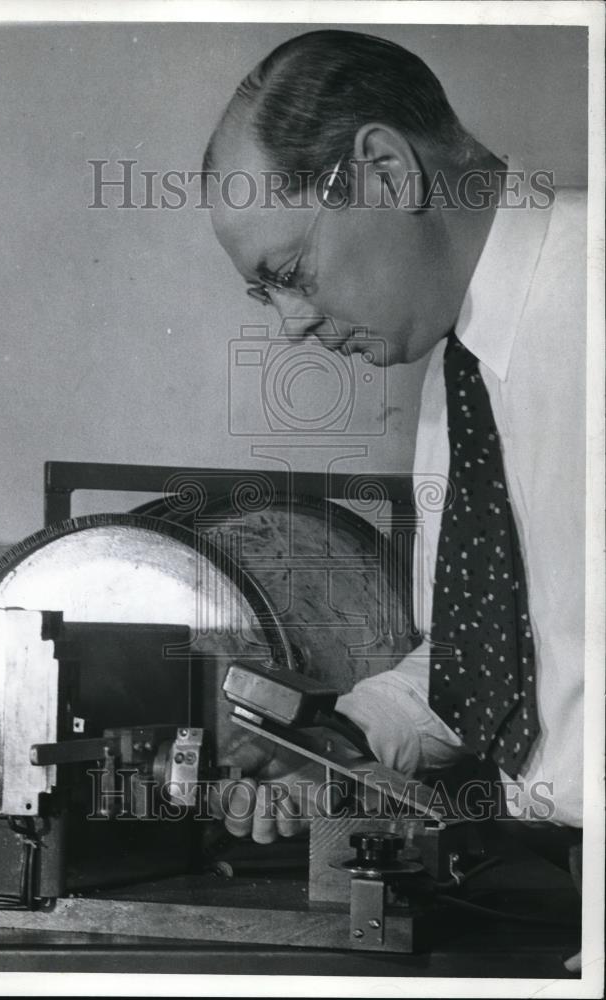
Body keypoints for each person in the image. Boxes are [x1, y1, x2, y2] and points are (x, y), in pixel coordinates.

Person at [203, 30, 586, 866]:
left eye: (292, 273)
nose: (291, 325)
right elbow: (492, 660)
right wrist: (341, 739)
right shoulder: (462, 364)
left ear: (386, 169)